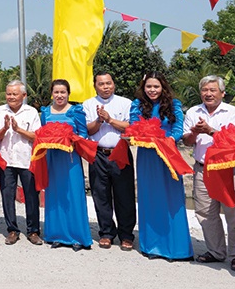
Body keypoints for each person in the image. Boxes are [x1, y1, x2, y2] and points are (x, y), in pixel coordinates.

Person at [182, 75, 235, 270]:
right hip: (203, 169)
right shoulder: (193, 111)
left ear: (222, 93)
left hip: (228, 169)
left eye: (212, 90)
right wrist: (195, 132)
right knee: (205, 213)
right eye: (204, 90)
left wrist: (210, 130)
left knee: (233, 213)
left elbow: (233, 141)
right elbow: (186, 141)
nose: (208, 94)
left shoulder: (233, 112)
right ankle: (216, 251)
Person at [129, 71, 193, 261]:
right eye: (148, 86)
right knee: (149, 198)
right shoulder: (137, 105)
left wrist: (169, 140)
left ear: (163, 87)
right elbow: (133, 126)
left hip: (168, 154)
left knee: (172, 200)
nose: (152, 90)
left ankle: (177, 248)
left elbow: (178, 129)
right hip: (147, 156)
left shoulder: (174, 105)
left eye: (156, 86)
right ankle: (151, 246)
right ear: (143, 88)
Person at [83, 71, 135, 251]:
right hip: (98, 154)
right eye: (101, 84)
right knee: (100, 194)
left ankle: (126, 235)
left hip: (120, 152)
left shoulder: (126, 103)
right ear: (95, 85)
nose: (105, 87)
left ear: (114, 84)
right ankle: (106, 232)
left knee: (125, 195)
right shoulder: (88, 104)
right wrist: (99, 120)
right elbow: (87, 130)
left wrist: (110, 119)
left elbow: (131, 127)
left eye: (108, 83)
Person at [38, 79, 92, 251]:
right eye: (56, 92)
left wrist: (71, 140)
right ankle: (56, 235)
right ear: (51, 93)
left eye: (63, 92)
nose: (59, 95)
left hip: (70, 160)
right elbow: (41, 134)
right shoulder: (45, 112)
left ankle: (77, 237)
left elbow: (83, 134)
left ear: (68, 93)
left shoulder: (76, 111)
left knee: (73, 195)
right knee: (55, 196)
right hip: (53, 159)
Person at [0, 80, 42, 245]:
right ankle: (12, 229)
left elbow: (36, 137)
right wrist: (5, 128)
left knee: (31, 195)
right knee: (7, 195)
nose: (11, 97)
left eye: (14, 94)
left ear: (24, 95)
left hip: (27, 159)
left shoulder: (31, 112)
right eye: (8, 94)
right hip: (7, 159)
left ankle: (33, 231)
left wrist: (18, 129)